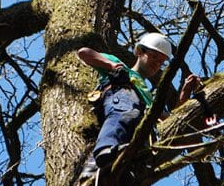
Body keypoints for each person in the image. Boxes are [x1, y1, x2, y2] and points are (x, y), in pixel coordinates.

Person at [76, 32, 201, 177]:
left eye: (161, 62)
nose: (156, 64)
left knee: (142, 139)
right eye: (154, 56)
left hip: (137, 124)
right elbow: (84, 53)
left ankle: (125, 172)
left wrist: (185, 93)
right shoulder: (121, 67)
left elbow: (173, 119)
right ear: (139, 52)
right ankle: (105, 150)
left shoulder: (148, 97)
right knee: (128, 113)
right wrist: (112, 66)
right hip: (120, 98)